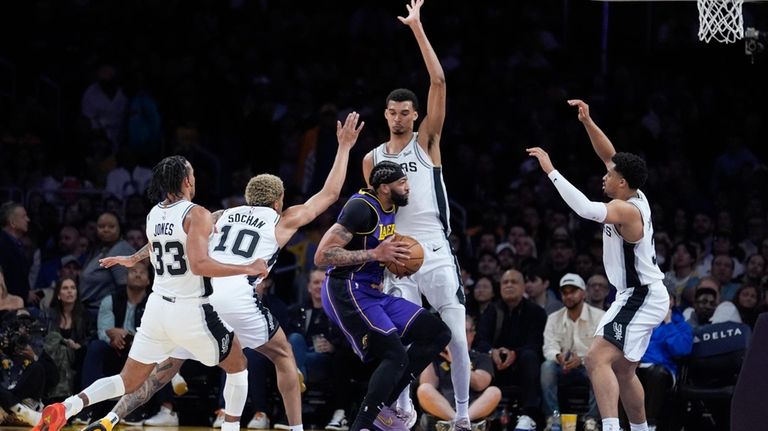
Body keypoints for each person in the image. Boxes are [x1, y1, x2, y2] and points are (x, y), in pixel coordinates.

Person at [82, 112, 364, 431]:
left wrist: (136, 256)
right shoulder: (281, 219)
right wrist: (344, 149)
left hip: (204, 298)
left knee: (165, 366)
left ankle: (111, 417)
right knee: (284, 355)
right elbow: (328, 195)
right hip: (239, 294)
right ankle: (294, 428)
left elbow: (170, 235)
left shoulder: (222, 214)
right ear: (278, 201)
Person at [32, 155, 269, 431]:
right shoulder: (196, 214)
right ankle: (230, 428)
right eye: (192, 174)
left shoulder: (154, 213)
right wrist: (248, 266)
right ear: (186, 180)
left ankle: (69, 405)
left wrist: (133, 258)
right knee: (238, 364)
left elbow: (158, 245)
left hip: (157, 309)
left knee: (126, 380)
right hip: (191, 309)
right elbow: (200, 264)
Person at [527, 99, 670, 431]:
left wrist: (551, 171)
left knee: (595, 358)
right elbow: (610, 154)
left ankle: (609, 428)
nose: (604, 176)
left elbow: (587, 210)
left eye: (609, 175)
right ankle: (641, 429)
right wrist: (588, 122)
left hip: (641, 295)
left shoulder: (627, 210)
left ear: (622, 182)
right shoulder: (630, 192)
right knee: (624, 370)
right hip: (637, 294)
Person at [361, 1, 471, 429]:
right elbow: (375, 214)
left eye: (406, 112)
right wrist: (377, 255)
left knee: (457, 339)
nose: (400, 117)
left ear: (415, 115)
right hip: (397, 255)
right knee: (403, 342)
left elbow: (439, 80)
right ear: (385, 114)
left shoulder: (426, 142)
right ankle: (403, 409)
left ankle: (462, 415)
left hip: (436, 250)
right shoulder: (371, 159)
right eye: (393, 112)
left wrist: (418, 28)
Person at [316, 160, 452, 431]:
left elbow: (379, 247)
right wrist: (376, 255)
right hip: (346, 289)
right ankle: (364, 424)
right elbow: (323, 256)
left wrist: (392, 263)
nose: (408, 187)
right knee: (395, 355)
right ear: (384, 187)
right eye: (402, 183)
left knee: (437, 333)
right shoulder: (360, 207)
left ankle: (381, 408)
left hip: (371, 291)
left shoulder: (390, 208)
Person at [474, 269, 546, 431]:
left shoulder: (536, 312)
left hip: (523, 365)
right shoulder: (492, 310)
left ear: (523, 287)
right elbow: (479, 340)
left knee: (530, 356)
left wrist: (515, 354)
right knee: (480, 356)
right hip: (496, 363)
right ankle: (478, 414)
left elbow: (538, 343)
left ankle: (529, 415)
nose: (509, 285)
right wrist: (492, 352)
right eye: (505, 282)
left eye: (514, 282)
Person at [540, 274, 605, 431]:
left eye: (573, 291)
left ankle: (592, 420)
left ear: (583, 293)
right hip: (562, 367)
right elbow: (549, 346)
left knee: (600, 369)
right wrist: (558, 356)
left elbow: (602, 350)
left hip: (588, 367)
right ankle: (553, 418)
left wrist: (582, 360)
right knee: (547, 367)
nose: (568, 295)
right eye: (565, 292)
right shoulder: (553, 318)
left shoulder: (600, 317)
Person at [417, 314, 501, 431]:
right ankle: (458, 423)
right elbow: (426, 385)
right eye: (454, 331)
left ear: (472, 334)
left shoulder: (481, 357)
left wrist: (456, 360)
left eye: (464, 331)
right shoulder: (437, 356)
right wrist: (429, 352)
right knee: (424, 389)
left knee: (494, 392)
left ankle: (462, 422)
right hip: (443, 409)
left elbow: (479, 384)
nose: (459, 336)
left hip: (472, 408)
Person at [78, 211, 136, 315]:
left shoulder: (120, 250)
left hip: (104, 312)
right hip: (91, 309)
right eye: (101, 226)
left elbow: (124, 288)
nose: (106, 230)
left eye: (111, 226)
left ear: (120, 229)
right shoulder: (101, 248)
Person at [0, 202, 32, 305]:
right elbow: (7, 280)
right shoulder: (3, 245)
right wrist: (25, 294)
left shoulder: (14, 244)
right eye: (24, 216)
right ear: (12, 222)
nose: (28, 219)